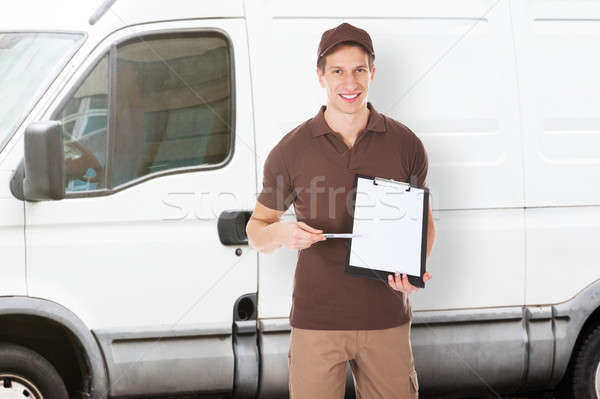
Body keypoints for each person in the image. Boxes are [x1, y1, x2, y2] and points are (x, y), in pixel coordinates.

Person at [246, 22, 436, 399]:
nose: (349, 82)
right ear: (320, 76)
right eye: (337, 71)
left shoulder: (405, 144)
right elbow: (256, 230)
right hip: (318, 324)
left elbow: (424, 221)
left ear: (372, 73)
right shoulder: (291, 150)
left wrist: (413, 267)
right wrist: (283, 233)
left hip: (386, 320)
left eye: (359, 70)